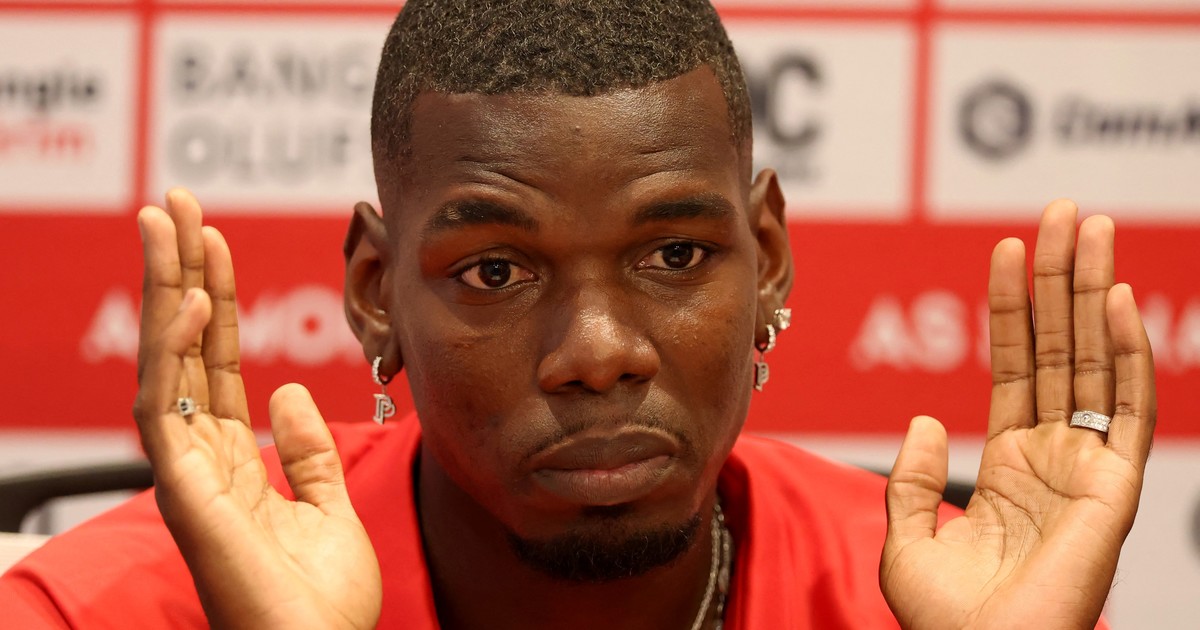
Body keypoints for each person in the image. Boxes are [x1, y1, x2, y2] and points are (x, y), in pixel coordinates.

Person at [0, 1, 1156, 628]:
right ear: (375, 294)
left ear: (767, 259)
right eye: (496, 271)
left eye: (675, 254)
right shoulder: (105, 609)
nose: (599, 354)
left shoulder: (948, 606)